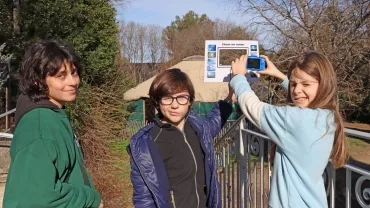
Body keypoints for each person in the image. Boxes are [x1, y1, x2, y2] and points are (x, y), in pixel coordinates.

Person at [229, 52, 348, 208]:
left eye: (305, 84)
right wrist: (280, 76)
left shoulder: (298, 120)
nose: (297, 90)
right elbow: (304, 97)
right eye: (293, 84)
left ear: (324, 84)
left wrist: (238, 78)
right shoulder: (327, 116)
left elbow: (253, 108)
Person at [3, 40, 103, 208]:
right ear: (37, 81)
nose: (73, 82)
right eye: (61, 76)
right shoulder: (39, 126)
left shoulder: (53, 116)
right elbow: (36, 197)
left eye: (74, 72)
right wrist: (90, 198)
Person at [127, 68, 233, 208]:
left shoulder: (198, 128)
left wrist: (232, 93)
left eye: (181, 97)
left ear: (190, 101)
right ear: (157, 101)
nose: (174, 105)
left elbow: (215, 120)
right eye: (167, 98)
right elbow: (143, 200)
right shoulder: (145, 144)